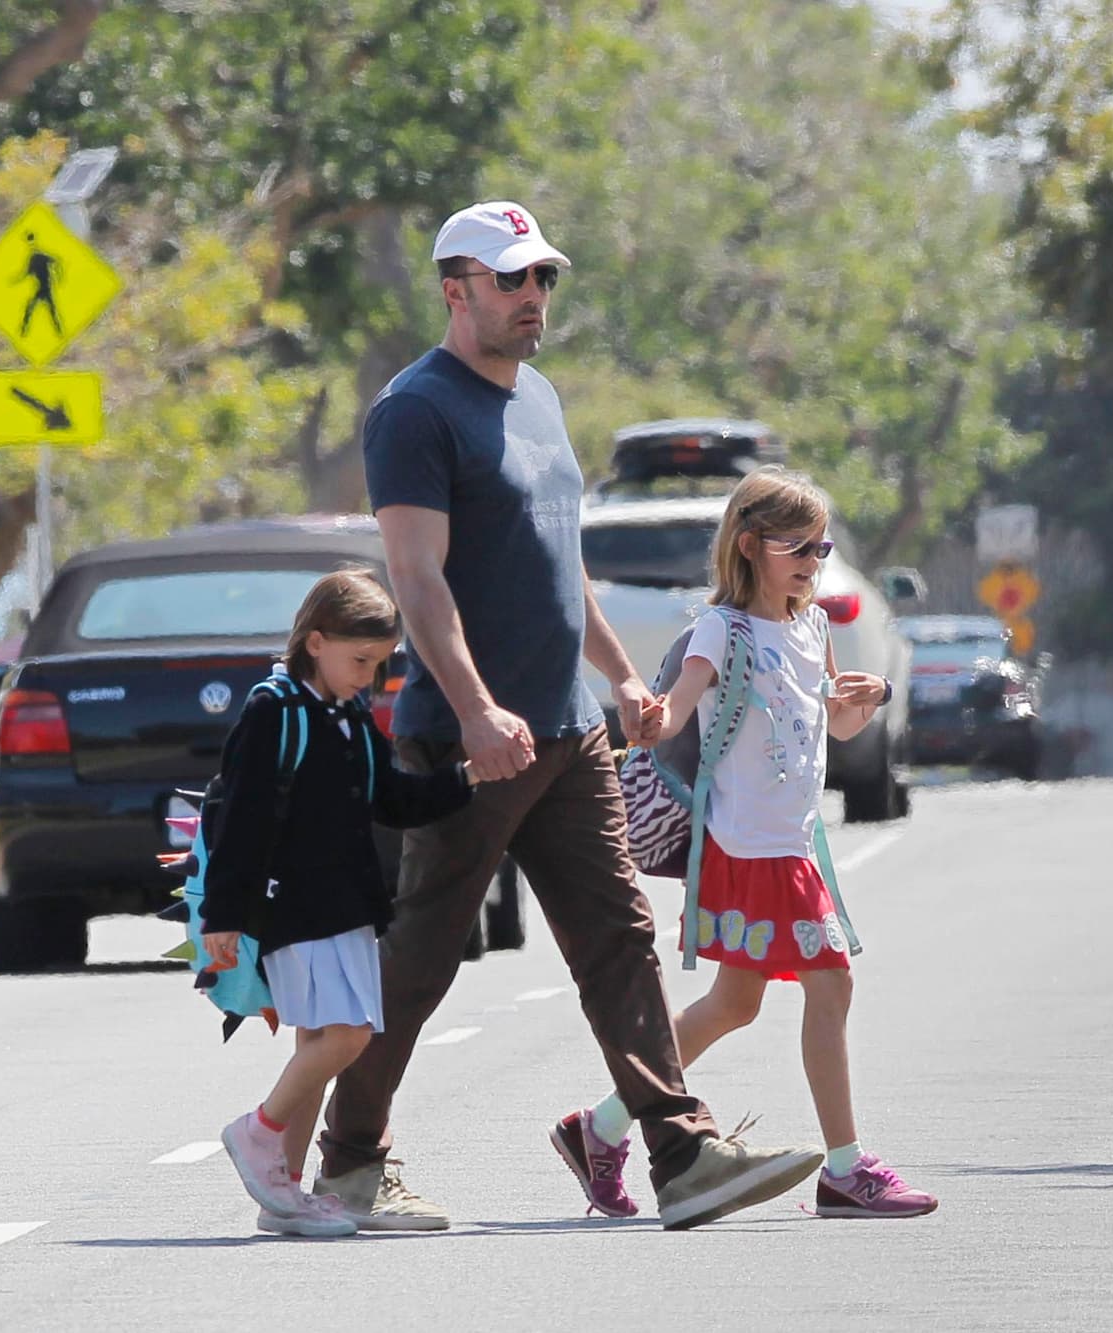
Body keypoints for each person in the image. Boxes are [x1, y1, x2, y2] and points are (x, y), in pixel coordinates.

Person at [314, 200, 824, 1232]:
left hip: (566, 728)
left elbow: (562, 564)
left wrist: (626, 679)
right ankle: (348, 1162)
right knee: (420, 957)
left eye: (542, 277)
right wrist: (471, 708)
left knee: (619, 939)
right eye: (510, 279)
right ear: (454, 288)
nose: (532, 296)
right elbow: (415, 579)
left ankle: (680, 1151)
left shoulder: (538, 399)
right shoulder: (414, 412)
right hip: (470, 738)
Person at [553, 468, 939, 1220]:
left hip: (792, 845)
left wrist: (858, 704)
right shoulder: (720, 630)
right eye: (797, 545)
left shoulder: (814, 625)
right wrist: (647, 714)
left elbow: (833, 726)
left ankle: (597, 1126)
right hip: (746, 848)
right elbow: (680, 706)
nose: (811, 560)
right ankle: (847, 1167)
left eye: (821, 547)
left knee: (734, 1003)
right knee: (832, 986)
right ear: (751, 545)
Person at [202, 568, 476, 1237]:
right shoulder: (276, 709)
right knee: (348, 1034)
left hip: (348, 904)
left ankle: (283, 1196)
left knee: (319, 1040)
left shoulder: (347, 713)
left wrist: (468, 778)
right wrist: (224, 913)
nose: (369, 677)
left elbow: (393, 799)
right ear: (316, 640)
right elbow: (241, 817)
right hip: (298, 907)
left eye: (381, 665)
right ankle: (257, 1130)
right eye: (360, 661)